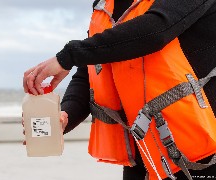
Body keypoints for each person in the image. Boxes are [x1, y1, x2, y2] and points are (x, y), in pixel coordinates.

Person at [23, 0, 216, 179]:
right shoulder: (106, 5)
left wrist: (69, 56)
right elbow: (90, 72)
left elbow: (154, 30)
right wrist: (66, 115)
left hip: (204, 152)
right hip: (143, 154)